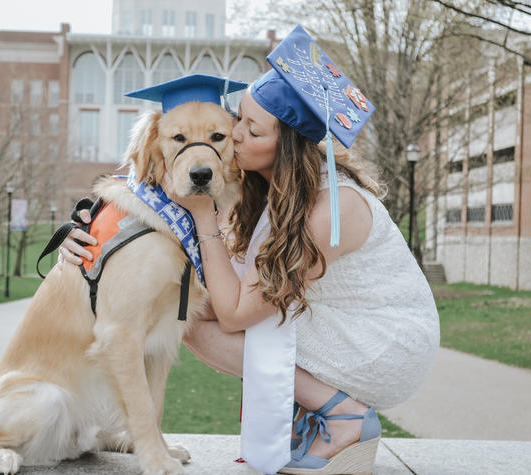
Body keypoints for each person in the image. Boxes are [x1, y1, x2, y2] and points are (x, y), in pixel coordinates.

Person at [61, 25, 439, 475]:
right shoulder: (260, 188)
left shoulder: (332, 209)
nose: (234, 134)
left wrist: (204, 216)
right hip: (335, 322)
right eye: (238, 117)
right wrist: (95, 237)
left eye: (251, 129)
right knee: (185, 304)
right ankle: (317, 410)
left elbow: (236, 311)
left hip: (383, 341)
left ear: (288, 148)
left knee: (194, 315)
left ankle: (344, 416)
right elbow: (170, 223)